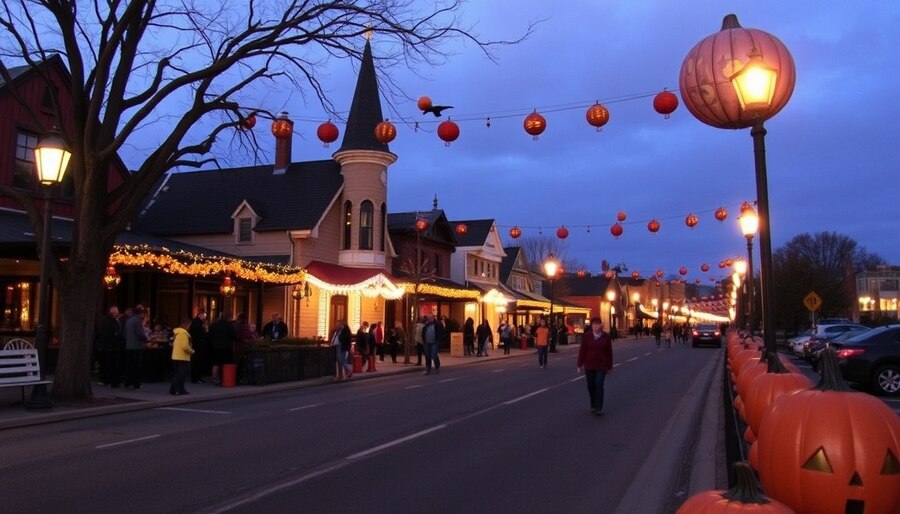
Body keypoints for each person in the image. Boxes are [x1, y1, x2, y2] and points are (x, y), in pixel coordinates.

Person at [577, 317, 614, 416]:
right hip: (589, 365)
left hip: (601, 366)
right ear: (591, 326)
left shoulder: (606, 337)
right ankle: (593, 404)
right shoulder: (587, 337)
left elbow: (609, 353)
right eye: (594, 324)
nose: (596, 326)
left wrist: (609, 366)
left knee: (599, 384)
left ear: (601, 325)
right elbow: (582, 351)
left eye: (598, 324)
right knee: (591, 385)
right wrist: (579, 364)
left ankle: (598, 407)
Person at [123, 305, 149, 389]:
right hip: (137, 346)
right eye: (144, 314)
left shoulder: (128, 320)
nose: (145, 316)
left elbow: (125, 334)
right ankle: (136, 383)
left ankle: (127, 382)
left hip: (129, 346)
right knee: (136, 366)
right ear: (140, 314)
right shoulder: (138, 321)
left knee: (129, 365)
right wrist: (146, 338)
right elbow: (140, 333)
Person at [98, 305, 122, 387]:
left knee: (111, 364)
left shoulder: (113, 320)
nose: (117, 314)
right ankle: (110, 380)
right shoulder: (107, 321)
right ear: (112, 312)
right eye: (116, 312)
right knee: (110, 364)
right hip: (110, 347)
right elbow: (107, 333)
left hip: (111, 346)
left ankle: (110, 380)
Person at [209, 312, 236, 385]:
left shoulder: (214, 324)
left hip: (215, 346)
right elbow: (233, 335)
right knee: (225, 364)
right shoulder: (228, 325)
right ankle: (223, 379)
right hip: (226, 347)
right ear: (228, 318)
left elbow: (210, 334)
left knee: (215, 363)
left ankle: (213, 379)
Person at [169, 317, 194, 395]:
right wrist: (192, 351)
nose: (190, 327)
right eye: (190, 325)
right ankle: (177, 389)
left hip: (176, 356)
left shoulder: (177, 333)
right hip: (182, 357)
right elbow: (185, 346)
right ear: (187, 325)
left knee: (177, 374)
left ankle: (177, 389)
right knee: (181, 374)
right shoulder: (184, 333)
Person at [189, 309, 208, 384]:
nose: (204, 317)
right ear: (200, 314)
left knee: (196, 362)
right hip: (198, 345)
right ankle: (196, 378)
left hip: (196, 345)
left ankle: (197, 377)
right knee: (197, 362)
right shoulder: (197, 323)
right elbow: (199, 334)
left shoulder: (196, 322)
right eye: (204, 315)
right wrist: (205, 331)